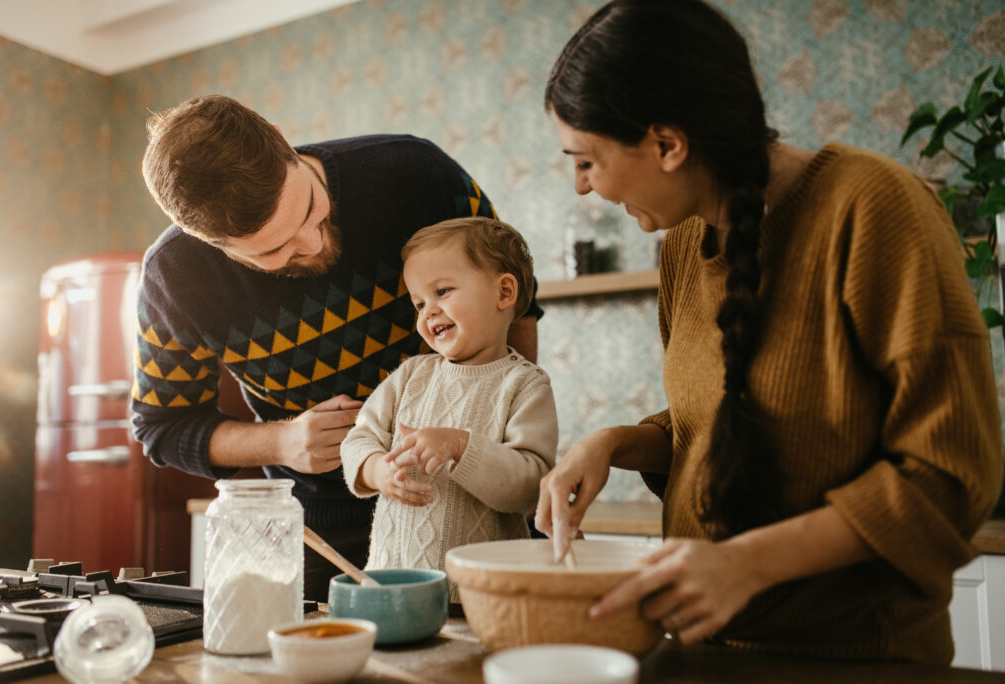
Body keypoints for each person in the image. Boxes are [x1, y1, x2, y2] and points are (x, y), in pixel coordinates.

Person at [534, 0, 1003, 665]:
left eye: (586, 160)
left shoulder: (873, 209)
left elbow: (950, 474)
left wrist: (747, 564)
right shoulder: (680, 250)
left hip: (859, 661)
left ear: (667, 144)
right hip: (709, 656)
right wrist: (613, 444)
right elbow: (735, 422)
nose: (581, 188)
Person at [131, 95, 543, 599]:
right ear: (209, 244)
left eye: (309, 209)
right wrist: (282, 442)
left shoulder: (414, 172)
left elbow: (516, 302)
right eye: (272, 250)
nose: (309, 243)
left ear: (284, 142)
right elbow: (162, 427)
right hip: (327, 530)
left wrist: (515, 453)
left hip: (476, 493)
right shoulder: (174, 276)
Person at [340, 217, 558, 600]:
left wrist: (462, 446)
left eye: (442, 291)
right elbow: (360, 437)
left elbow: (528, 485)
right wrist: (375, 469)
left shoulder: (525, 385)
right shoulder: (409, 376)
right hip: (391, 585)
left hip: (479, 598)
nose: (427, 313)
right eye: (419, 302)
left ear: (503, 292)